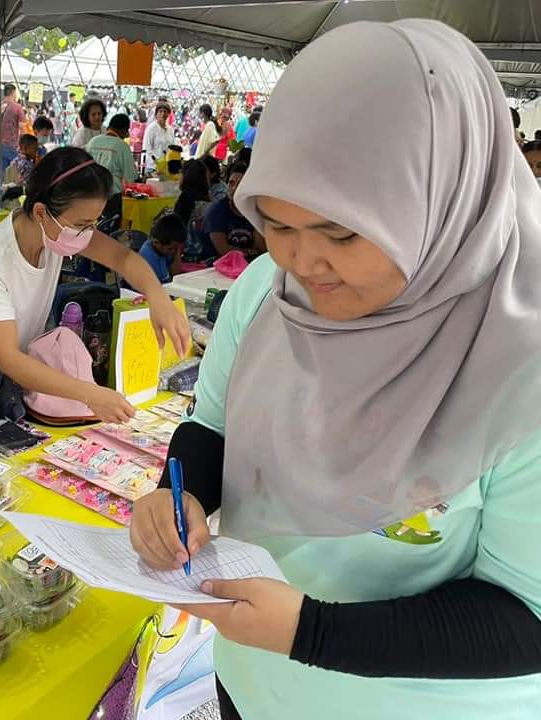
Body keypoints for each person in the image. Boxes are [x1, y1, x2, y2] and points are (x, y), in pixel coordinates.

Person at [130, 19, 541, 720]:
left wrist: (307, 630)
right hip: (252, 682)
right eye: (279, 225)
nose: (304, 265)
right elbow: (214, 426)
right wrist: (180, 496)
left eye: (343, 232)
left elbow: (525, 617)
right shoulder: (266, 296)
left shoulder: (520, 359)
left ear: (445, 200)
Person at [0, 146, 190, 422]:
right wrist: (91, 394)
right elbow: (9, 358)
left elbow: (123, 258)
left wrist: (158, 297)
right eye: (82, 224)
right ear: (42, 212)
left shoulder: (54, 232)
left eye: (94, 222)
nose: (88, 234)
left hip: (9, 375)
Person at [201, 161, 263, 258]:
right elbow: (223, 250)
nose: (234, 188)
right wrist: (250, 252)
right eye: (231, 183)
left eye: (240, 184)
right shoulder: (216, 211)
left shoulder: (254, 210)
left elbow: (260, 249)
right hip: (216, 264)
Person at [137, 209, 185, 283]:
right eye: (171, 248)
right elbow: (168, 284)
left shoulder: (164, 248)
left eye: (176, 248)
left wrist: (177, 250)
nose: (173, 251)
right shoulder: (150, 256)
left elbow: (175, 272)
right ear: (157, 243)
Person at [173, 158, 211, 226]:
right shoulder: (206, 197)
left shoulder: (185, 200)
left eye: (181, 172)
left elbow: (178, 227)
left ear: (186, 176)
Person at [0, 83, 27, 173]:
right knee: (16, 173)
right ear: (13, 93)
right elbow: (22, 128)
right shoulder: (17, 107)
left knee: (3, 174)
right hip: (12, 145)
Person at [142, 101, 176, 172]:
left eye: (165, 111)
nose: (163, 114)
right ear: (156, 114)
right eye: (160, 111)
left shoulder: (170, 129)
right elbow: (147, 149)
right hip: (153, 168)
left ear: (168, 114)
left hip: (166, 168)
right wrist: (156, 163)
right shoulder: (151, 128)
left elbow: (172, 148)